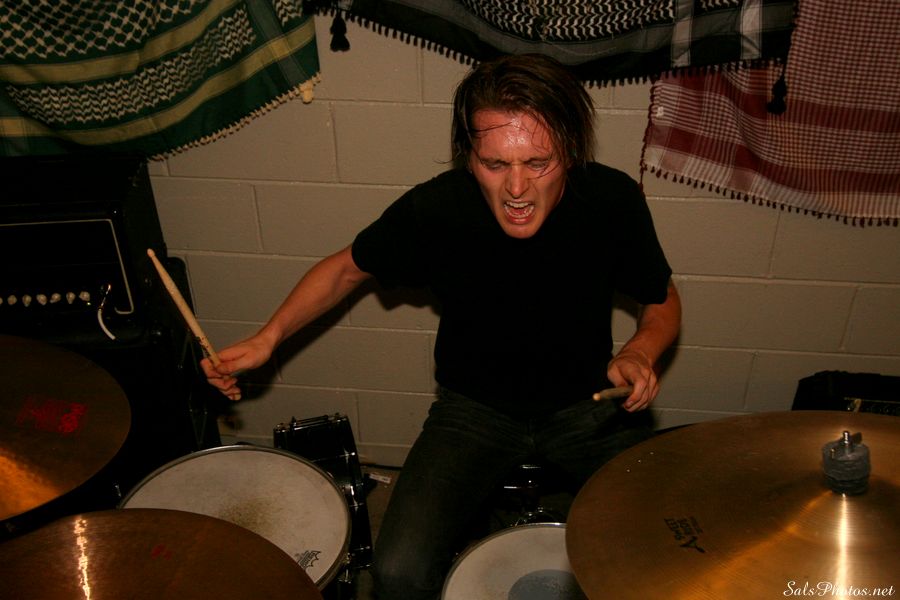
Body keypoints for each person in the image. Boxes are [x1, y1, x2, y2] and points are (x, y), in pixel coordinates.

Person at [202, 53, 681, 599]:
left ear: (569, 151)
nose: (517, 188)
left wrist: (641, 352)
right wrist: (269, 337)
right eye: (494, 164)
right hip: (473, 410)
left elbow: (662, 299)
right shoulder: (440, 208)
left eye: (537, 163)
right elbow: (343, 271)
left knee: (668, 541)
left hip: (588, 405)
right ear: (469, 156)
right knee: (398, 570)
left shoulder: (611, 201)